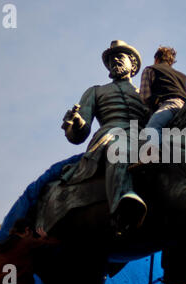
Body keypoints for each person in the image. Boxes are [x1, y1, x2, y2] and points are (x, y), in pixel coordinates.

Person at [60, 40, 152, 237]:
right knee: (118, 147)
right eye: (111, 59)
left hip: (143, 136)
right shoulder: (96, 91)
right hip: (112, 133)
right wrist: (75, 122)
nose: (115, 60)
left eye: (121, 56)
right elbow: (80, 134)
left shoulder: (144, 93)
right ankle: (122, 204)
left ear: (133, 64)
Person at [0, 218, 59, 284]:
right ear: (27, 230)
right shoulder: (26, 243)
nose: (32, 238)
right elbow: (53, 243)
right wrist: (46, 237)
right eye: (32, 235)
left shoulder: (1, 250)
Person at [139, 46, 186, 151]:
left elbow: (144, 96)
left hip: (169, 106)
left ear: (156, 59)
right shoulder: (181, 76)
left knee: (151, 129)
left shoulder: (150, 69)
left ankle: (159, 157)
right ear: (171, 62)